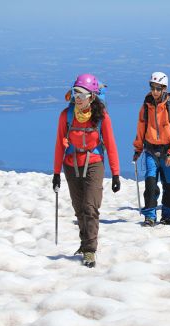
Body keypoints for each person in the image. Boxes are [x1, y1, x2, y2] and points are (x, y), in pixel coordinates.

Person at [52, 73, 121, 268]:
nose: (78, 98)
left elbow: (110, 144)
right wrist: (56, 173)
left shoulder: (101, 117)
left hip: (94, 163)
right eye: (75, 93)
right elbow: (59, 145)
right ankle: (84, 244)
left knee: (90, 207)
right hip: (71, 164)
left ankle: (90, 250)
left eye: (82, 94)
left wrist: (116, 173)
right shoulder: (66, 116)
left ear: (92, 96)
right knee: (79, 209)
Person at [132, 71, 170, 226]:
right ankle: (150, 216)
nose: (155, 91)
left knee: (169, 184)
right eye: (153, 87)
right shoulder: (146, 106)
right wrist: (138, 149)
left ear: (164, 88)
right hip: (150, 150)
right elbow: (141, 129)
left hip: (167, 151)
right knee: (150, 183)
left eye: (158, 88)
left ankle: (167, 215)